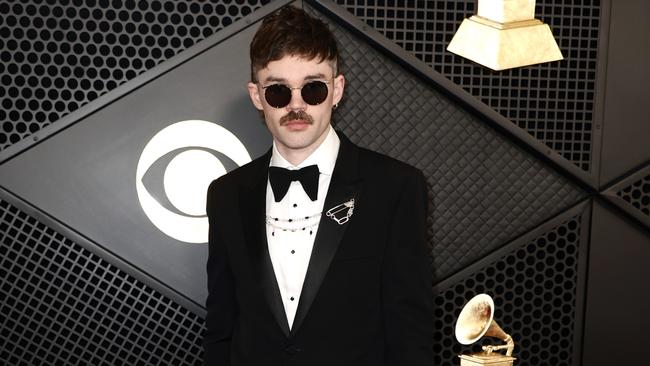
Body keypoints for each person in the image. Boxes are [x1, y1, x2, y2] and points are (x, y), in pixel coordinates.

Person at [203, 6, 433, 366]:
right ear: (256, 96)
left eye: (313, 89)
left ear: (337, 89)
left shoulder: (396, 188)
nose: (296, 105)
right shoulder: (225, 195)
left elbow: (410, 333)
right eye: (278, 91)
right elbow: (221, 328)